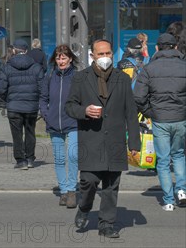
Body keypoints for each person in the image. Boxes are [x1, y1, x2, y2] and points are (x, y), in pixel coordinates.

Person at [66, 39, 140, 239]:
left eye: (108, 53)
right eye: (101, 54)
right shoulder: (81, 78)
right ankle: (84, 207)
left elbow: (131, 113)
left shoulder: (122, 79)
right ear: (93, 56)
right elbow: (70, 106)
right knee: (88, 181)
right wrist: (85, 110)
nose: (105, 57)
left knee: (111, 185)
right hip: (91, 138)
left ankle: (107, 224)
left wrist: (134, 142)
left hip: (115, 140)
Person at [133, 33, 186, 211]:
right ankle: (182, 190)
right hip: (181, 118)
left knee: (163, 160)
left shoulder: (149, 68)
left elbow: (139, 96)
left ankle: (169, 200)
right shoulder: (184, 66)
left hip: (160, 119)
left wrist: (150, 112)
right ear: (175, 47)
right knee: (178, 154)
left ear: (157, 48)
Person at [38, 45, 79, 208]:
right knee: (60, 159)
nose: (61, 61)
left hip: (73, 122)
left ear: (70, 58)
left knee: (73, 155)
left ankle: (71, 190)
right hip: (54, 123)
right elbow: (43, 98)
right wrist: (46, 115)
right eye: (58, 58)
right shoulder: (50, 76)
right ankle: (63, 191)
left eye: (64, 57)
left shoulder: (77, 76)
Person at [0, 39, 44, 169]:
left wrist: (5, 102)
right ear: (26, 51)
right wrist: (40, 102)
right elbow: (42, 87)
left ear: (13, 51)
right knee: (30, 132)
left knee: (16, 135)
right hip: (31, 106)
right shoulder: (36, 67)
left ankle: (20, 160)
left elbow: (1, 88)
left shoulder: (7, 67)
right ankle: (30, 158)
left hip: (14, 106)